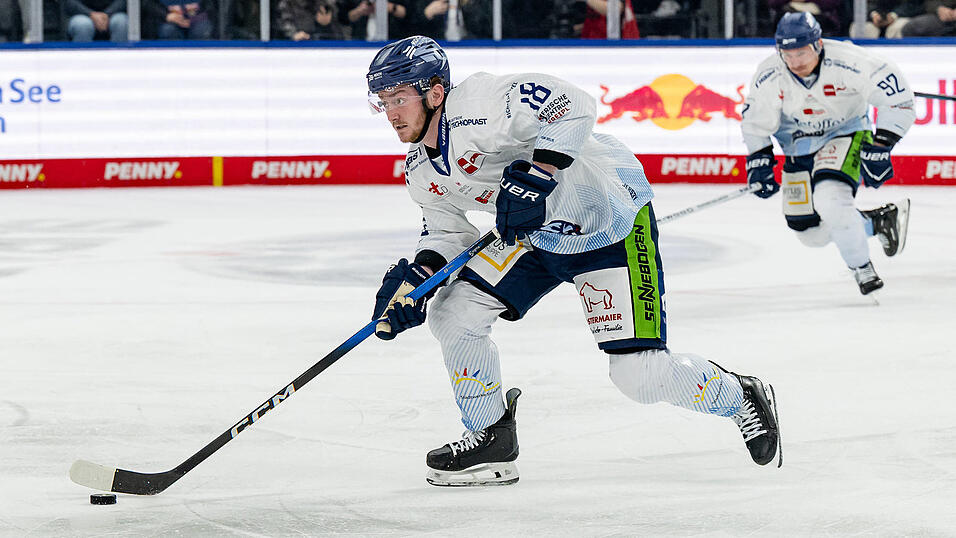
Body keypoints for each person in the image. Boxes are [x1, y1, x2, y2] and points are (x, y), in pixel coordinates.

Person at [365, 35, 782, 487]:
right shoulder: (419, 168)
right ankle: (491, 438)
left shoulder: (483, 102)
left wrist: (538, 174)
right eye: (382, 101)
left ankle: (739, 396)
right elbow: (448, 232)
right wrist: (417, 282)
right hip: (534, 237)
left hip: (609, 219)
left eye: (400, 97)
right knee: (453, 313)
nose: (391, 113)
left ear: (436, 92)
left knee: (638, 376)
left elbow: (574, 104)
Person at [741, 13, 914, 296]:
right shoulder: (769, 73)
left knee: (831, 200)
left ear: (818, 44)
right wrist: (759, 159)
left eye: (801, 52)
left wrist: (881, 145)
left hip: (846, 133)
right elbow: (754, 122)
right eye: (787, 54)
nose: (795, 62)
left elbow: (898, 98)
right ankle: (875, 223)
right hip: (798, 147)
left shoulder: (850, 60)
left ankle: (862, 268)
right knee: (809, 234)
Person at [63, 0, 128, 42]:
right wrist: (90, 14)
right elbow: (69, 2)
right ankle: (82, 62)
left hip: (114, 13)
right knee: (82, 25)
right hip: (82, 14)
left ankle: (118, 61)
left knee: (122, 23)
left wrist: (107, 14)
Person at [279, 0, 346, 40]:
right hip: (297, 44)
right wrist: (294, 34)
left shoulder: (324, 3)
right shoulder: (287, 3)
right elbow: (284, 22)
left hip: (323, 41)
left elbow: (338, 26)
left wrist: (327, 23)